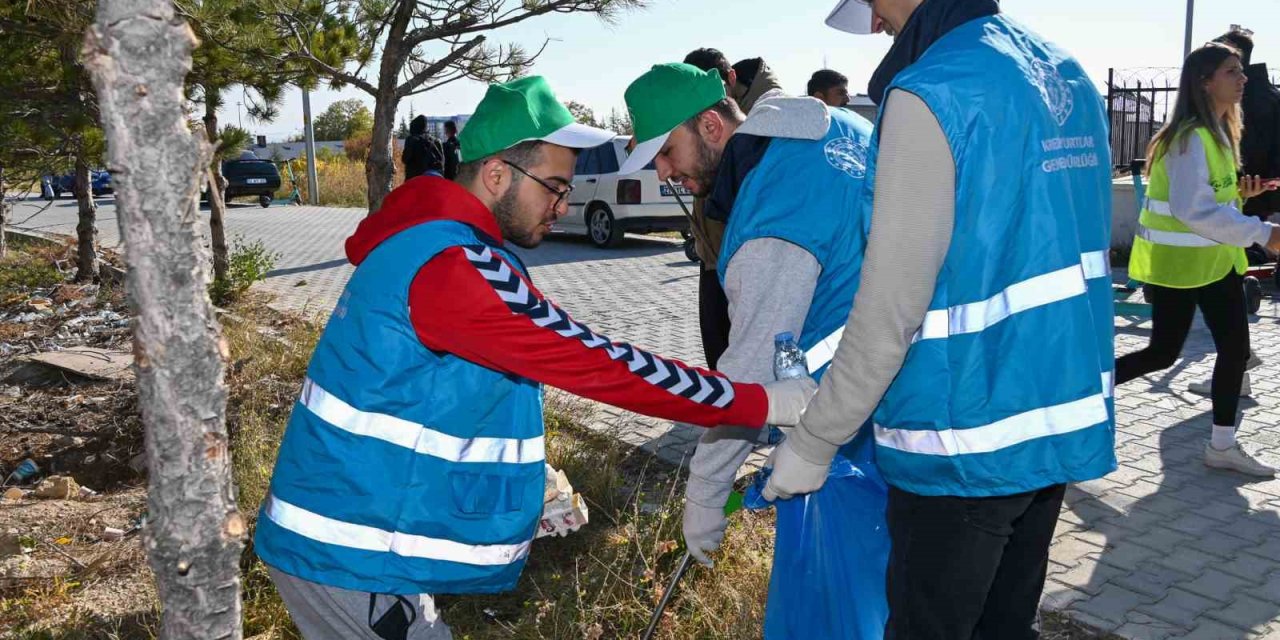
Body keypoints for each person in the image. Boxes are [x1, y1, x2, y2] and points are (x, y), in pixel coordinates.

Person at [255, 76, 817, 640]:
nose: (564, 205)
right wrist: (757, 400)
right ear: (497, 174)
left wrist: (526, 484)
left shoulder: (426, 242)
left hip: (352, 532)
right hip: (349, 549)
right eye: (553, 186)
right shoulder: (456, 266)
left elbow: (432, 399)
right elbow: (598, 361)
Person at [767, 1, 1118, 637]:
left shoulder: (932, 91)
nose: (876, 22)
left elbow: (891, 305)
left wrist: (816, 439)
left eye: (872, 3)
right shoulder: (1064, 73)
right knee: (1004, 627)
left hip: (962, 442)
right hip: (1051, 421)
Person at [620, 62, 887, 634]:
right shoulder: (839, 128)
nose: (665, 172)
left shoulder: (770, 217)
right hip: (913, 409)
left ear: (712, 127)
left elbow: (746, 371)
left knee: (837, 613)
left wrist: (706, 491)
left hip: (851, 442)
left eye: (667, 152)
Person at [1117, 42, 1280, 477]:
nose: (1243, 78)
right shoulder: (1189, 138)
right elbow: (1193, 211)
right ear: (1204, 82)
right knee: (1162, 354)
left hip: (1215, 265)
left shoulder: (1221, 133)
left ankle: (1222, 445)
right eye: (1232, 71)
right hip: (1182, 268)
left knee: (1235, 349)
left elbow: (1210, 200)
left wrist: (1242, 196)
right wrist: (1266, 234)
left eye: (1241, 70)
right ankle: (1079, 398)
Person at [680, 48, 784, 368]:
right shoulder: (702, 115)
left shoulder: (771, 118)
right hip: (712, 258)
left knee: (753, 362)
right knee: (719, 358)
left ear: (732, 80)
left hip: (753, 262)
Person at [402, 114, 444, 179]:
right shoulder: (436, 141)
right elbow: (442, 161)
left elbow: (405, 159)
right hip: (432, 180)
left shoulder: (411, 139)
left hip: (415, 180)